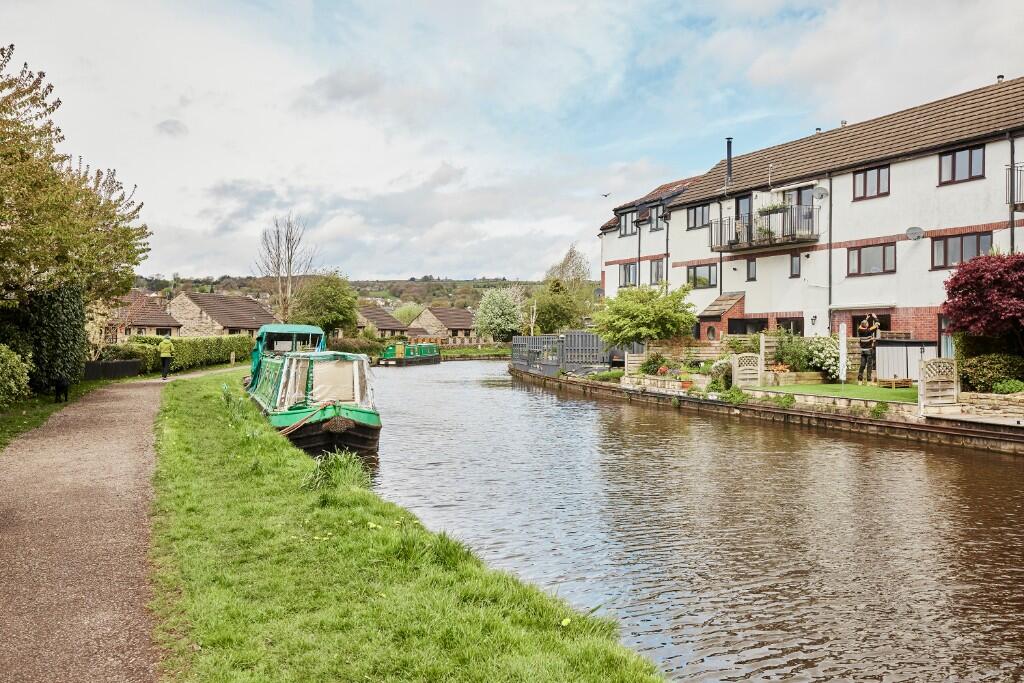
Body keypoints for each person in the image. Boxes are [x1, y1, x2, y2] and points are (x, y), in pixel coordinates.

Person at [856, 314, 880, 384]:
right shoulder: (869, 330)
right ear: (866, 325)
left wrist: (866, 319)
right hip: (869, 351)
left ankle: (859, 381)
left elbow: (861, 325)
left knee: (862, 366)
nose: (868, 324)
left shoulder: (859, 330)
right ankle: (869, 381)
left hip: (863, 351)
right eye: (867, 323)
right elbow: (877, 325)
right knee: (869, 367)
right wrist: (875, 317)